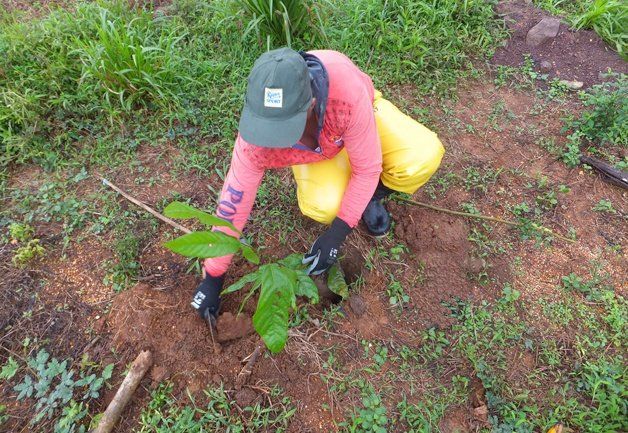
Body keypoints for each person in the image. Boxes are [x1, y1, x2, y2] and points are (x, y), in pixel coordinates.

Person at [191, 48, 445, 324]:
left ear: (310, 104)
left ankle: (371, 197)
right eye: (269, 129)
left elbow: (368, 169)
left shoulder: (345, 93)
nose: (273, 140)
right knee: (325, 205)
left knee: (421, 155)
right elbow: (234, 202)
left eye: (284, 128)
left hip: (356, 121)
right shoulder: (255, 140)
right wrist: (213, 275)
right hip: (319, 152)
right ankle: (355, 194)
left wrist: (335, 236)